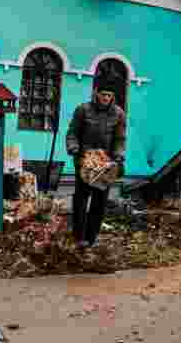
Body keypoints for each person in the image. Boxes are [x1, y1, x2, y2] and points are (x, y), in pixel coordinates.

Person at [65, 75, 127, 248]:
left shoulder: (118, 114)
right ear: (96, 93)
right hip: (85, 161)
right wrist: (74, 148)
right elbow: (72, 133)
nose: (106, 98)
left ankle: (91, 239)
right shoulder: (83, 110)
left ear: (112, 97)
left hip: (105, 164)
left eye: (109, 96)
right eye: (103, 95)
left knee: (99, 203)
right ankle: (79, 237)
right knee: (81, 200)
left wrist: (118, 157)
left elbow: (119, 139)